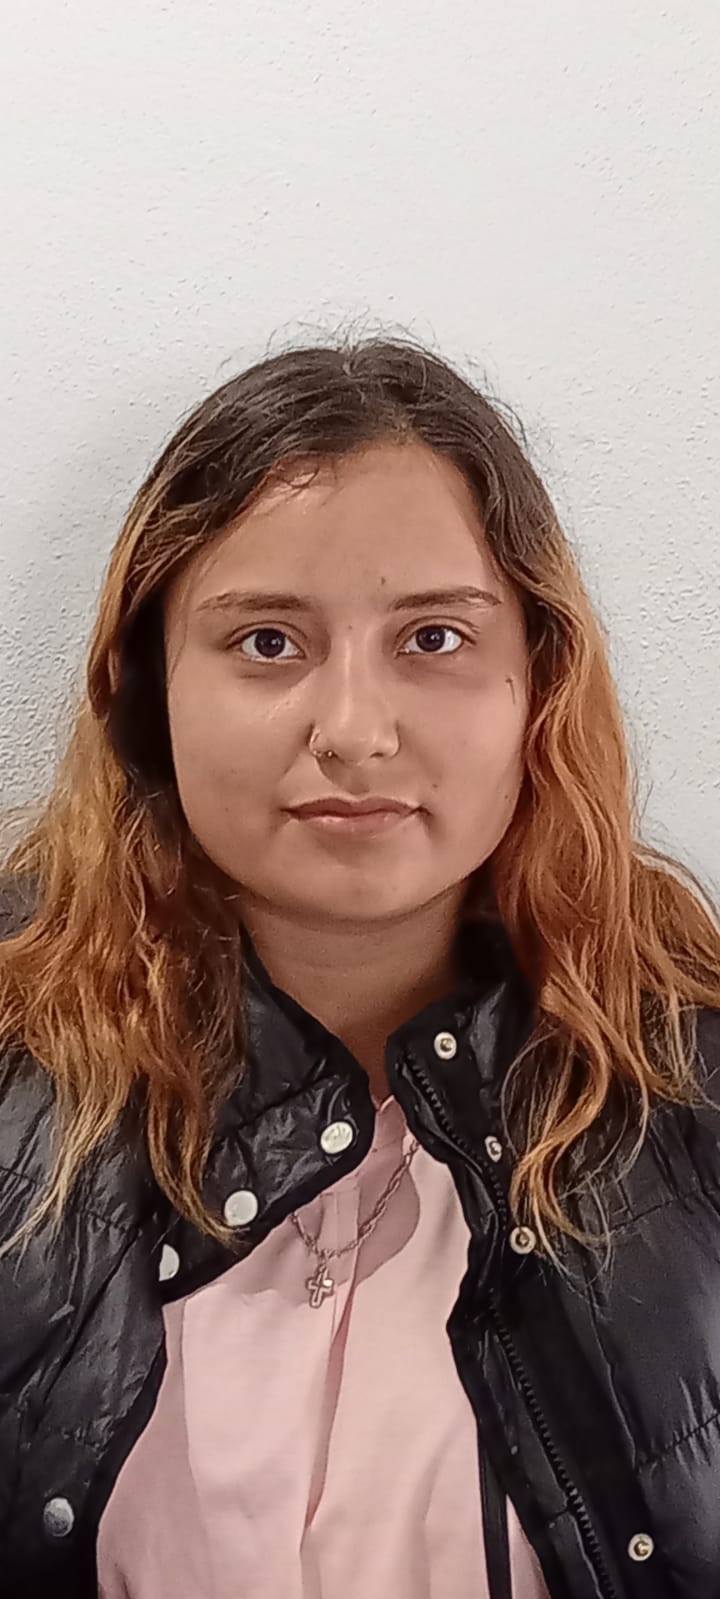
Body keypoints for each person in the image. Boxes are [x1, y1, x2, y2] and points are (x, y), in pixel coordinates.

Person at [0, 337, 719, 1599]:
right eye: (267, 642)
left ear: (539, 680)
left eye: (434, 637)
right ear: (145, 688)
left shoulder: (691, 1081)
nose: (354, 731)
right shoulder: (21, 1065)